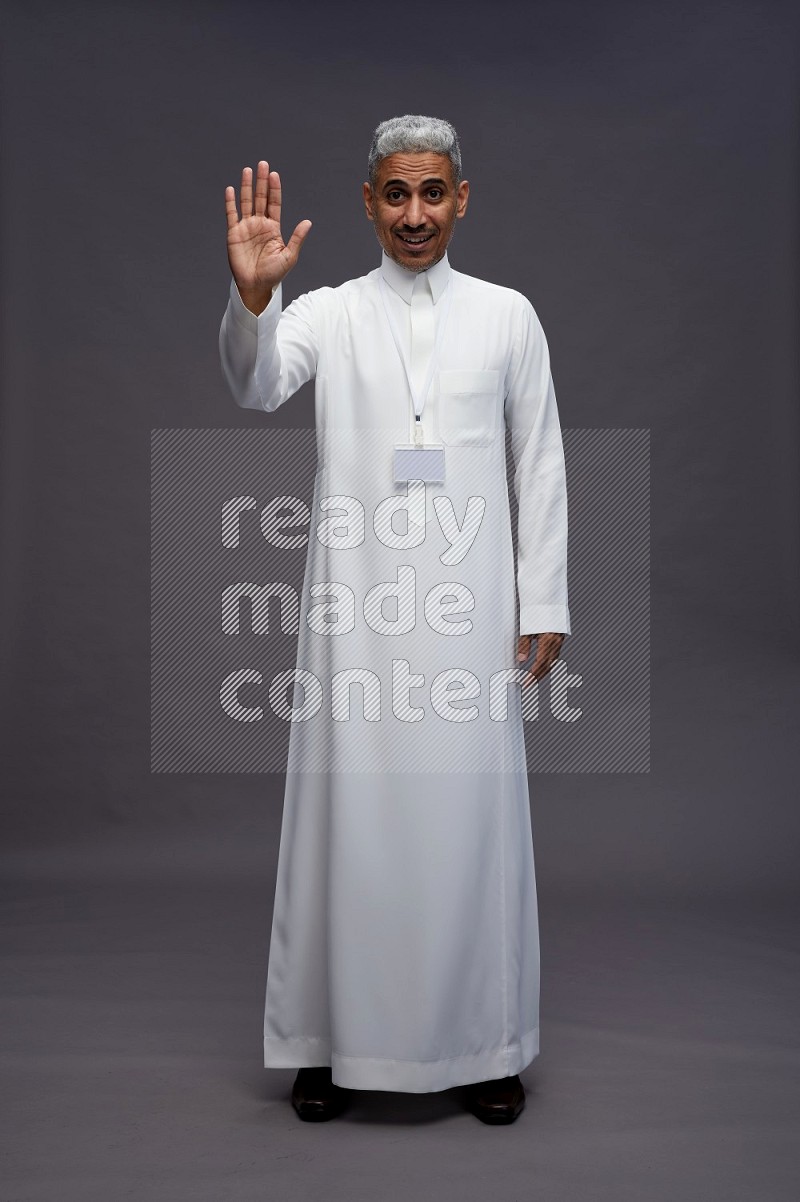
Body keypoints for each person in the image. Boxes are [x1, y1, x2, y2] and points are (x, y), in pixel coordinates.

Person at [218, 115, 570, 1124]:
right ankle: (326, 1041)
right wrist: (254, 302)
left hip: (468, 611)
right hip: (355, 609)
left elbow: (536, 459)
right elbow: (254, 384)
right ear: (368, 201)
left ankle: (484, 1041)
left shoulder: (507, 315)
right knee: (348, 818)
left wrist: (540, 595)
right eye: (393, 194)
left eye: (431, 192)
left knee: (469, 821)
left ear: (461, 198)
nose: (413, 213)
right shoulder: (326, 313)